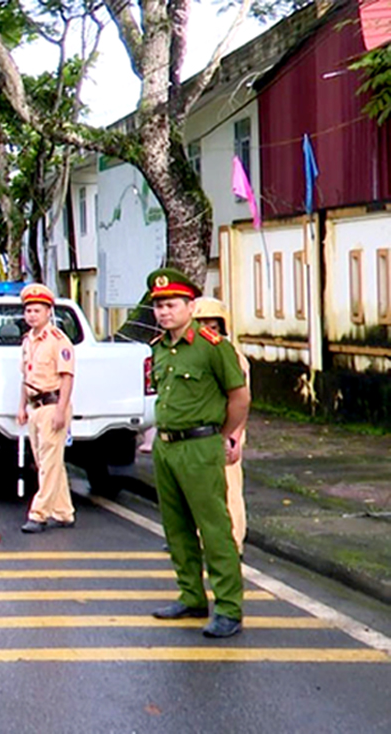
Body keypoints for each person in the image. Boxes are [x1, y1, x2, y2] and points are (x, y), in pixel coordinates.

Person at [146, 268, 249, 639]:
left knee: (214, 527)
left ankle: (228, 607)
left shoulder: (212, 346)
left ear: (190, 306)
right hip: (167, 445)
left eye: (171, 304)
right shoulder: (159, 348)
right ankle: (191, 595)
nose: (163, 312)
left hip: (200, 444)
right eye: (158, 306)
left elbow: (239, 396)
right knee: (176, 526)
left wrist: (227, 434)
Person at [16, 284, 77, 533]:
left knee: (49, 462)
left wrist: (61, 410)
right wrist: (21, 407)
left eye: (37, 310)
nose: (32, 315)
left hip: (53, 405)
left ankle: (39, 513)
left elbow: (67, 377)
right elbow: (26, 377)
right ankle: (64, 511)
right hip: (35, 406)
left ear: (48, 312)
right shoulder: (28, 341)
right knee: (46, 462)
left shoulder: (58, 341)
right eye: (28, 310)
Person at [194, 297, 250, 557]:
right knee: (201, 490)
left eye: (212, 325)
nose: (206, 329)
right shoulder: (192, 354)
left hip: (224, 430)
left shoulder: (231, 356)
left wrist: (234, 436)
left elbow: (240, 400)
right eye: (200, 324)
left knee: (229, 489)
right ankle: (203, 540)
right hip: (197, 432)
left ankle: (234, 541)